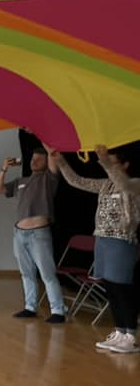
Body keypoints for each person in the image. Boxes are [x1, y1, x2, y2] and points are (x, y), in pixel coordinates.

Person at [51, 144, 140, 352]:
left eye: (114, 162)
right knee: (110, 286)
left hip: (122, 240)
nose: (109, 166)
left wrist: (105, 161)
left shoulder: (135, 184)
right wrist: (61, 161)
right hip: (102, 240)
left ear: (125, 165)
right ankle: (119, 332)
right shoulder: (104, 185)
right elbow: (77, 181)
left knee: (122, 287)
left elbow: (123, 185)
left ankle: (131, 336)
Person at [0, 146, 65, 323]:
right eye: (32, 159)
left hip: (38, 233)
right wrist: (4, 168)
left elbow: (52, 155)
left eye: (38, 159)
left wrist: (39, 133)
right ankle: (30, 307)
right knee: (26, 273)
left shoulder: (48, 179)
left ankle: (57, 310)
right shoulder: (20, 181)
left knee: (47, 273)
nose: (34, 162)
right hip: (19, 234)